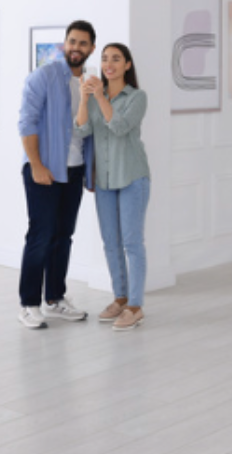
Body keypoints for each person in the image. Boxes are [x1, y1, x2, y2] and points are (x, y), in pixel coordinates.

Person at [17, 21, 97, 329]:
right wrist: (36, 165)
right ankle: (28, 304)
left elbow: (89, 132)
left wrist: (89, 172)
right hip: (44, 168)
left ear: (91, 48)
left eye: (83, 43)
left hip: (74, 171)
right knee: (41, 236)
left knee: (63, 236)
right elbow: (27, 123)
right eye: (72, 41)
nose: (76, 47)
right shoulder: (44, 77)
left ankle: (55, 298)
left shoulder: (90, 83)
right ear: (65, 44)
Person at [76, 43, 151, 331]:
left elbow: (119, 127)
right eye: (105, 59)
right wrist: (85, 99)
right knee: (110, 242)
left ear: (127, 65)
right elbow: (81, 129)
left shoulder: (137, 97)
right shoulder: (95, 96)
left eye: (116, 59)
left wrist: (99, 96)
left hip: (133, 176)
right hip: (104, 180)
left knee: (132, 243)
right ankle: (119, 298)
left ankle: (135, 305)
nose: (109, 64)